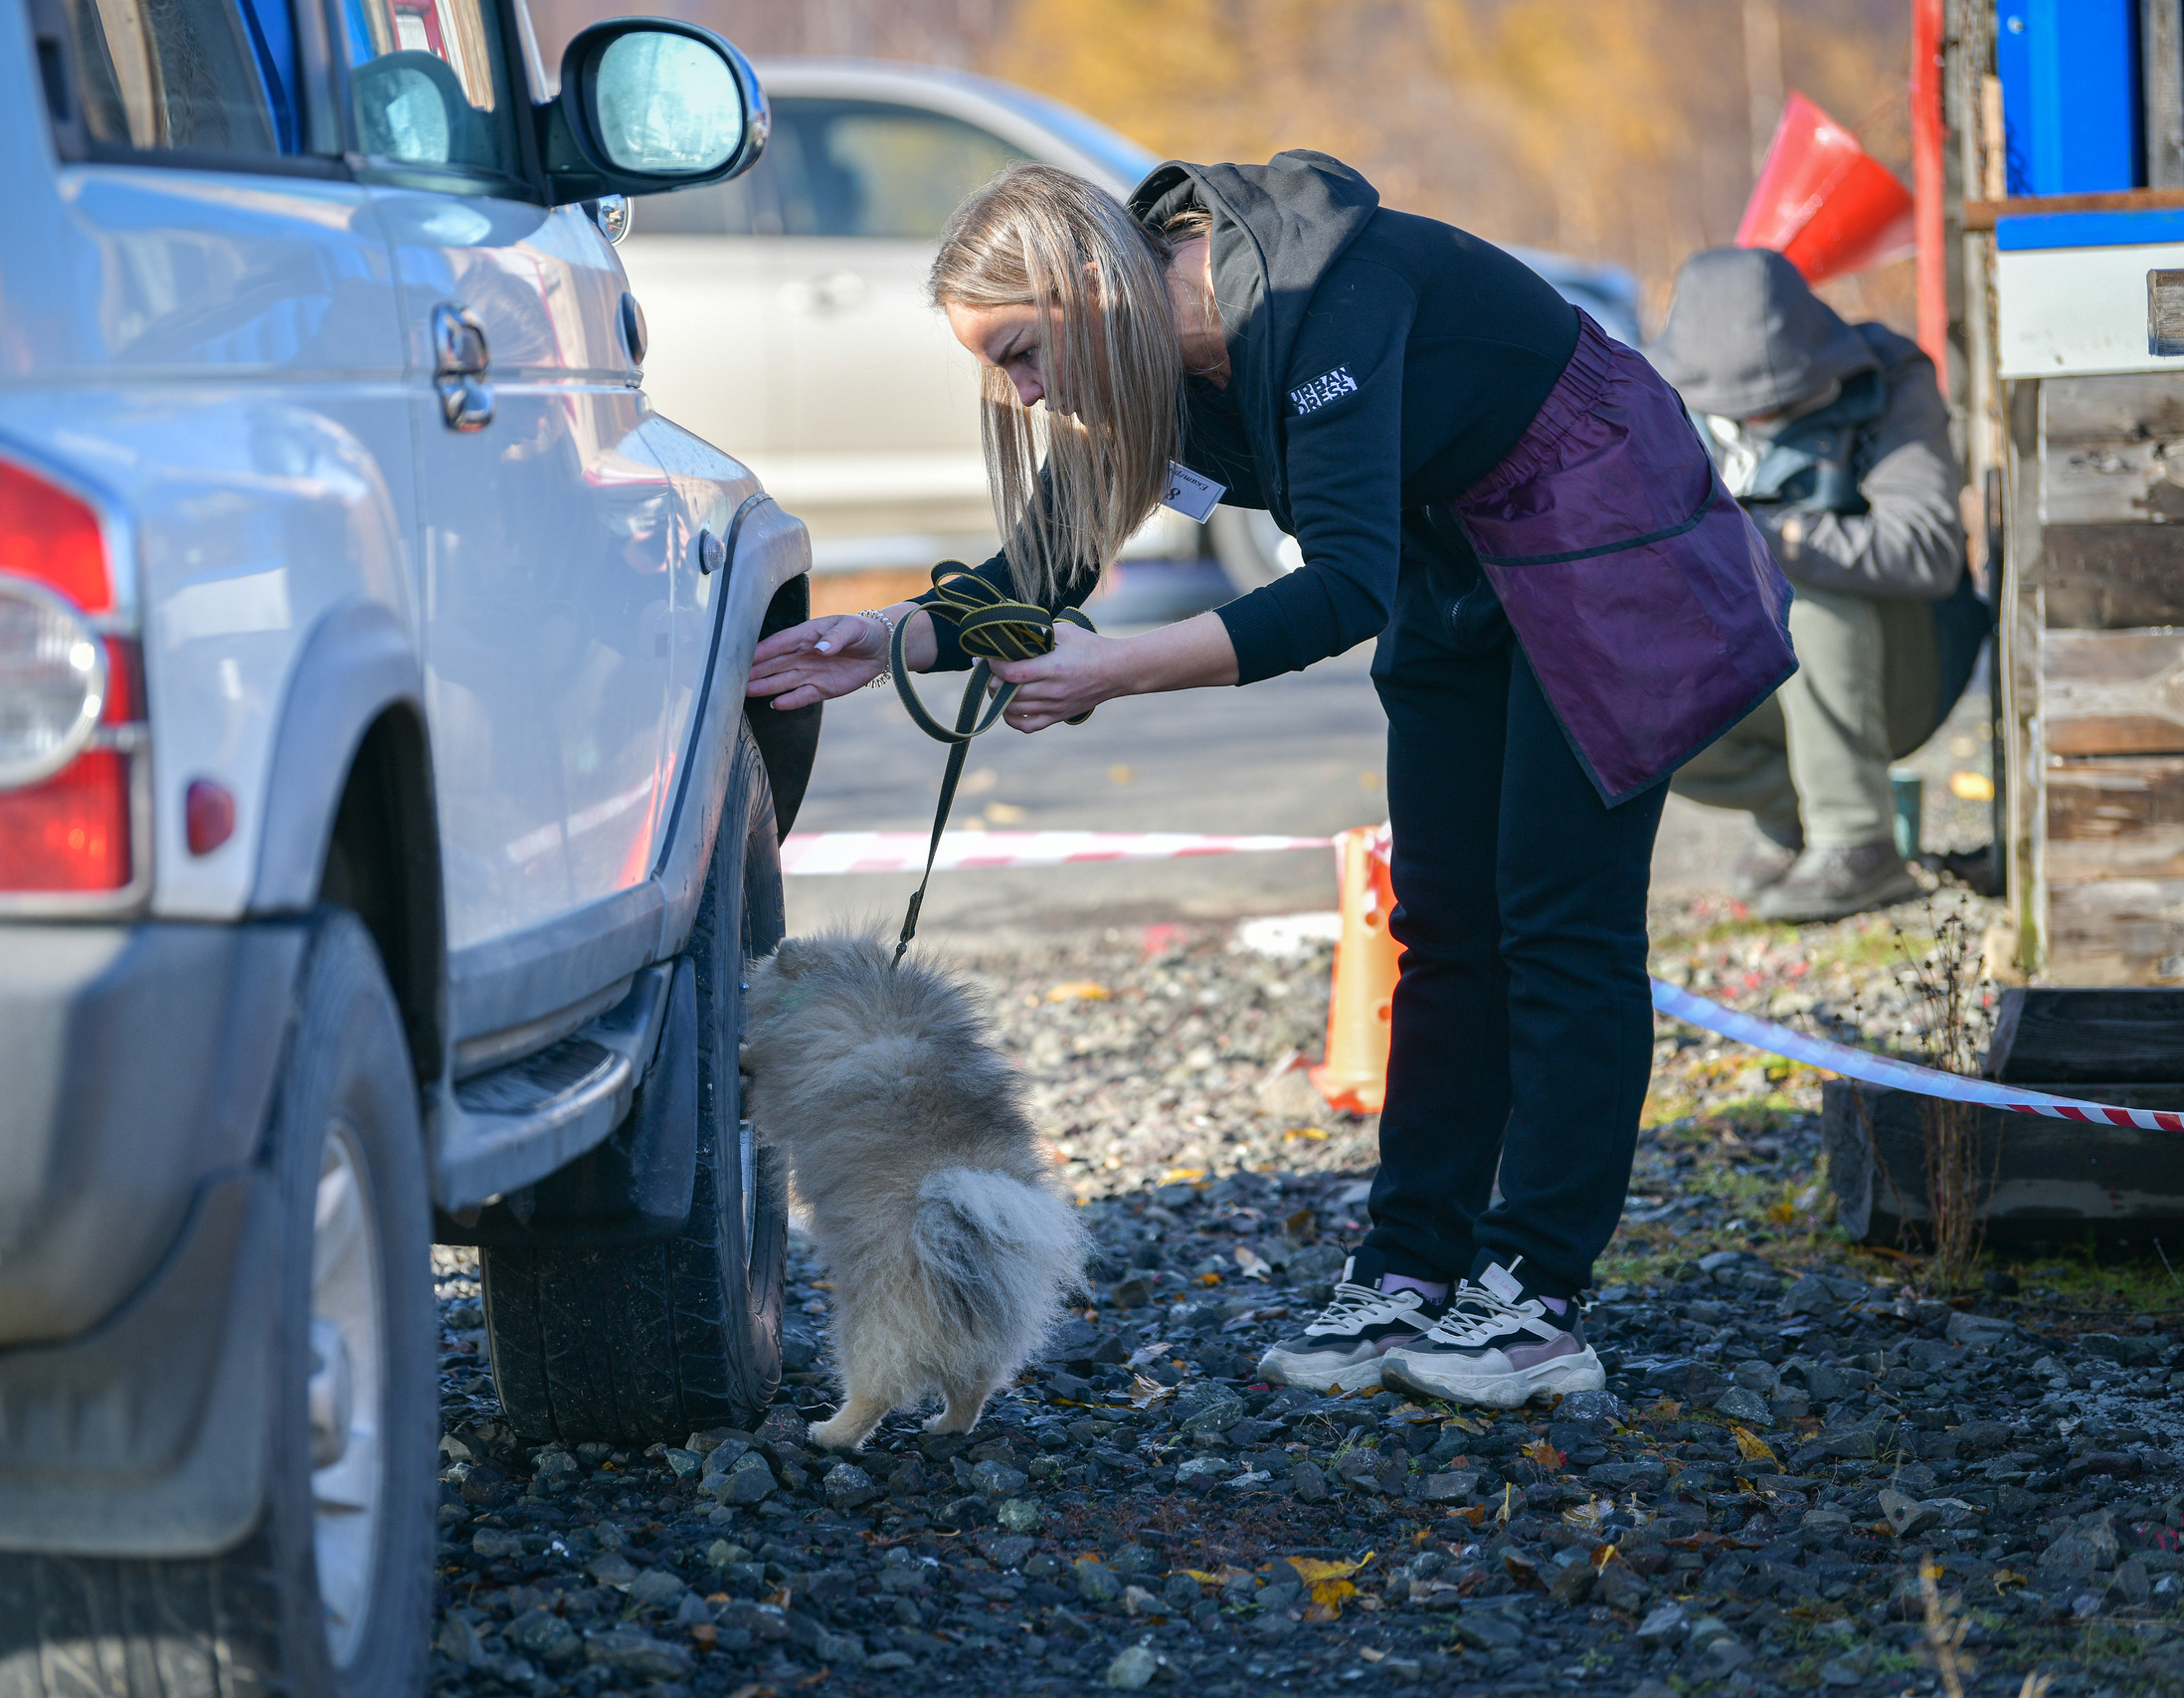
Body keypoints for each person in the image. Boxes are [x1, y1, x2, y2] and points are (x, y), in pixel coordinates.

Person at [746, 156, 1796, 1409]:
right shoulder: (1144, 358)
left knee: (1557, 924)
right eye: (998, 371)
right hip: (1450, 550)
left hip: (1594, 522)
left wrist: (1115, 674)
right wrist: (886, 638)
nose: (1020, 396)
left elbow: (1343, 589)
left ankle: (1534, 1299)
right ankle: (1410, 1269)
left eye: (1023, 354)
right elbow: (1048, 561)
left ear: (1092, 285)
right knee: (1445, 924)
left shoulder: (1311, 302)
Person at [1651, 248, 1987, 922]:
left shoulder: (1889, 382)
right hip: (1756, 673)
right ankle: (1793, 815)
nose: (1763, 421)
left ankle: (1856, 840)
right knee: (1616, 670)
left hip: (1900, 670)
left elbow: (1927, 549)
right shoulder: (1654, 403)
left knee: (1800, 586)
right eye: (1742, 413)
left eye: (1784, 403)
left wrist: (1772, 535)